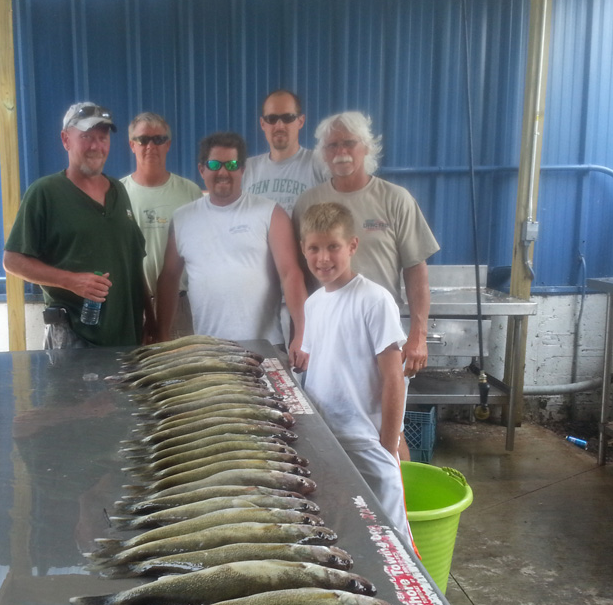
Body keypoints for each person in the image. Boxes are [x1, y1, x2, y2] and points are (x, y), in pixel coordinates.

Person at [293, 111, 439, 461]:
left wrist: (418, 335)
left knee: (390, 429)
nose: (341, 152)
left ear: (367, 148)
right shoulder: (307, 203)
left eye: (349, 143)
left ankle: (396, 491)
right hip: (332, 340)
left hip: (380, 337)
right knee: (333, 431)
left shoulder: (395, 199)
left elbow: (416, 271)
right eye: (332, 145)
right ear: (323, 153)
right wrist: (303, 335)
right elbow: (298, 273)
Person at [298, 201, 412, 544]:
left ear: (352, 245)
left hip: (367, 444)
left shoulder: (374, 300)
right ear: (303, 248)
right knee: (340, 537)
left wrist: (388, 446)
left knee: (388, 543)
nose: (323, 258)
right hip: (325, 442)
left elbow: (394, 378)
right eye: (314, 248)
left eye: (333, 246)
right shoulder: (313, 304)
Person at [3, 101, 151, 348]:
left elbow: (134, 262)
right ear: (65, 139)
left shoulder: (118, 191)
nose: (96, 146)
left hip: (127, 339)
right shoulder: (45, 193)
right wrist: (70, 281)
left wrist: (152, 320)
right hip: (74, 338)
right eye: (86, 137)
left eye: (102, 138)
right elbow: (12, 261)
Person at [155, 131, 308, 368]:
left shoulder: (271, 213)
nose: (223, 172)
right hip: (208, 351)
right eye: (214, 164)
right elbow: (169, 277)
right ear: (201, 170)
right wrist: (162, 334)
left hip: (264, 349)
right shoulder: (183, 218)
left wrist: (303, 334)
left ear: (243, 169)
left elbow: (291, 274)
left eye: (232, 164)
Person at [120, 112, 203, 337]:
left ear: (168, 144)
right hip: (132, 306)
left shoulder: (190, 192)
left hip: (180, 305)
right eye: (143, 139)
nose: (151, 146)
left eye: (158, 139)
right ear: (132, 145)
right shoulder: (118, 193)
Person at [243, 89, 329, 215]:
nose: (279, 126)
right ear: (262, 124)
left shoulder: (321, 164)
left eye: (288, 118)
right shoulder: (246, 169)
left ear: (300, 121)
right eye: (272, 118)